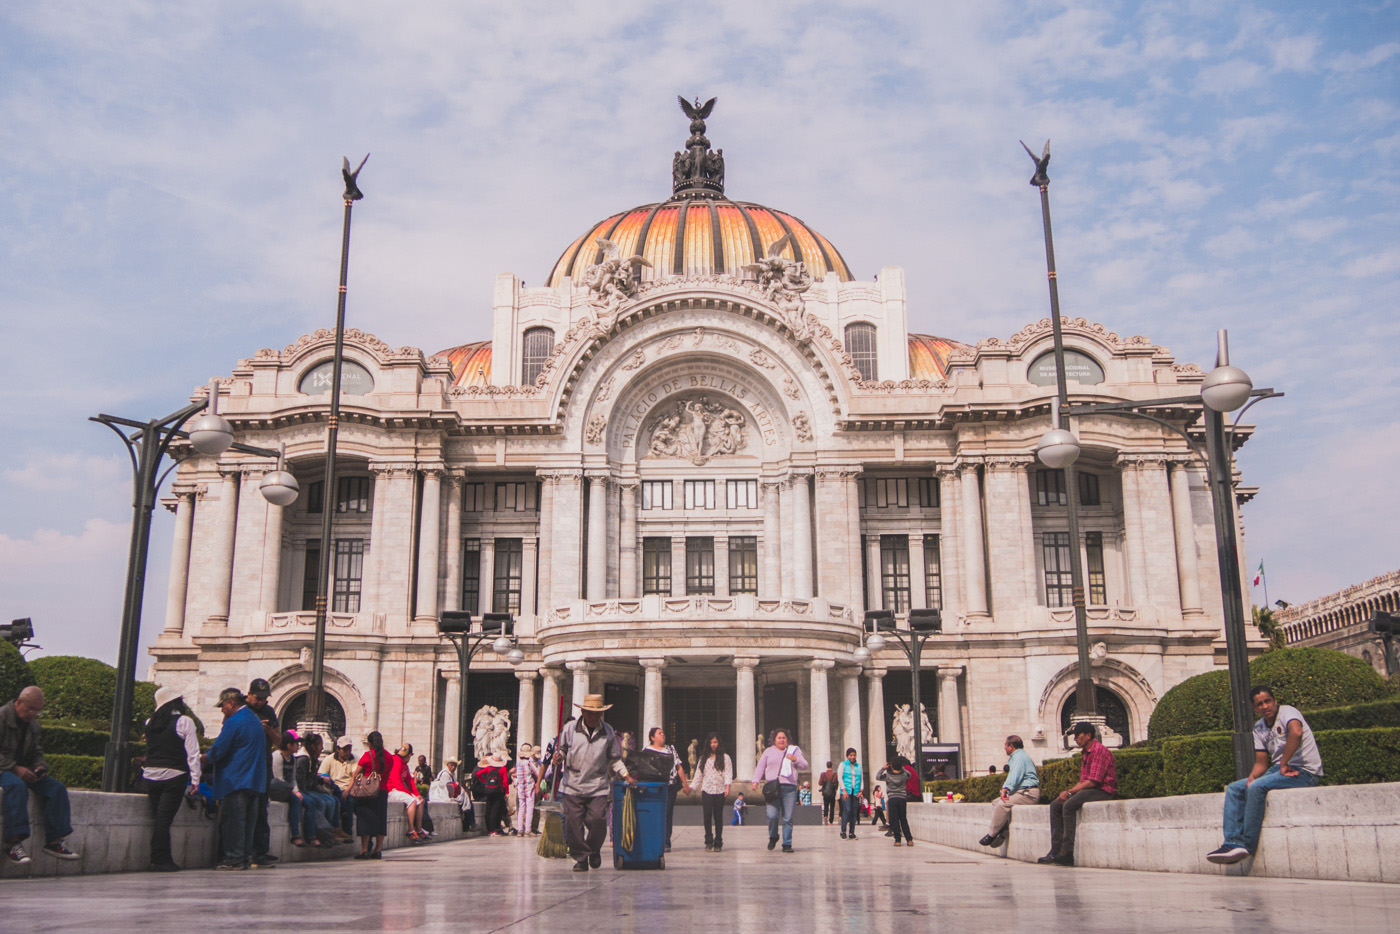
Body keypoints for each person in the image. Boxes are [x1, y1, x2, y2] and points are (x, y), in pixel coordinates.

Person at [1206, 685, 1324, 865]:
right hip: (1278, 770)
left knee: (1256, 788)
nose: (1265, 706)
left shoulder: (1287, 712)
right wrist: (1253, 776)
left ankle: (1246, 844)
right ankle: (1232, 843)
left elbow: (1296, 732)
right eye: (1259, 704)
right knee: (1235, 788)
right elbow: (1261, 762)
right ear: (1255, 708)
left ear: (1275, 701)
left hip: (1304, 771)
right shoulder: (1259, 728)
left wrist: (1284, 763)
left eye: (1268, 701)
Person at [552, 693, 636, 872]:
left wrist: (626, 774)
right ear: (582, 712)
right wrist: (559, 757)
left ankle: (593, 849)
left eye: (597, 713)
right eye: (589, 713)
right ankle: (581, 858)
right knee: (573, 824)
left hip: (597, 785)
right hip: (572, 784)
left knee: (598, 820)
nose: (593, 717)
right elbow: (563, 749)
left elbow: (614, 758)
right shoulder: (569, 729)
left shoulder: (608, 731)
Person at [1, 686, 80, 864]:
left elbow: (35, 752)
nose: (34, 714)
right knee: (16, 786)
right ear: (19, 702)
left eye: (37, 710)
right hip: (4, 769)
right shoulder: (1, 718)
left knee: (56, 788)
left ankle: (54, 841)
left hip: (20, 769)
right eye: (30, 709)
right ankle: (13, 843)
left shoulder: (32, 725)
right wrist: (14, 768)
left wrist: (39, 766)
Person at [140, 686, 200, 871]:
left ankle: (161, 858)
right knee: (164, 820)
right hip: (174, 776)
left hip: (150, 775)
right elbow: (193, 753)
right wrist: (195, 779)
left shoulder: (149, 722)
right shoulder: (184, 722)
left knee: (159, 818)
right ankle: (160, 860)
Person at [1040, 721, 1117, 867]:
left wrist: (1070, 793)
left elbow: (1094, 781)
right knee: (1056, 804)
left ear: (1088, 735)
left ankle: (1067, 852)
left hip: (1103, 790)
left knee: (1069, 805)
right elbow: (1084, 781)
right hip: (1090, 789)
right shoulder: (1086, 753)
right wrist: (1069, 793)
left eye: (1078, 735)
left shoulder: (1098, 751)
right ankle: (1055, 851)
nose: (1075, 739)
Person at [207, 687, 268, 870]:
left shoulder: (234, 722)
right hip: (254, 781)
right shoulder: (254, 720)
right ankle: (244, 858)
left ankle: (233, 859)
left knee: (234, 821)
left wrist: (204, 758)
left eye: (223, 706)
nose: (222, 710)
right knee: (248, 823)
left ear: (231, 703)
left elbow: (219, 749)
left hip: (235, 780)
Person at [751, 728, 808, 853]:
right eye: (779, 738)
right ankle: (773, 836)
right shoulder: (768, 751)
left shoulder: (794, 750)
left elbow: (805, 765)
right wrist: (755, 780)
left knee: (788, 818)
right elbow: (760, 767)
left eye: (784, 738)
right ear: (774, 740)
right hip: (772, 788)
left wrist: (795, 759)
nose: (782, 740)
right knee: (772, 815)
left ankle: (787, 843)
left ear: (787, 739)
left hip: (790, 788)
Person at [243, 678, 280, 868]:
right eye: (258, 698)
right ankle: (244, 852)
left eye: (264, 699)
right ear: (249, 694)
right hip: (244, 766)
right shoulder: (241, 709)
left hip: (262, 765)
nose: (261, 702)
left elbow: (279, 740)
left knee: (261, 809)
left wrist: (268, 731)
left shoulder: (268, 711)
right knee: (245, 810)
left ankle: (260, 852)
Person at [980, 734, 1040, 848]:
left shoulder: (1019, 757)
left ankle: (991, 834)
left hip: (1028, 794)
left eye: (1005, 745)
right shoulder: (1018, 756)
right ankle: (1002, 830)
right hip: (1021, 792)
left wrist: (1005, 789)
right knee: (995, 802)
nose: (1004, 748)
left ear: (1011, 746)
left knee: (1002, 804)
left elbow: (1015, 775)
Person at [645, 727, 691, 852]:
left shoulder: (670, 749)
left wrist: (685, 784)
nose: (663, 735)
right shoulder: (647, 751)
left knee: (667, 813)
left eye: (663, 733)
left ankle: (666, 841)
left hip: (669, 786)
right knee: (654, 812)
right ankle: (653, 838)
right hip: (654, 786)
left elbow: (679, 767)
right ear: (652, 737)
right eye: (659, 733)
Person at [351, 731, 392, 859]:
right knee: (381, 820)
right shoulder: (389, 757)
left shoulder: (368, 755)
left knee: (364, 819)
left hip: (368, 792)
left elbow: (355, 774)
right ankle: (377, 850)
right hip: (383, 791)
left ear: (369, 743)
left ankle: (364, 850)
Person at [691, 733, 732, 851]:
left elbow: (728, 773)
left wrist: (727, 787)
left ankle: (718, 841)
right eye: (711, 742)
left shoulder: (725, 757)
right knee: (707, 815)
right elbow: (698, 775)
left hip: (719, 790)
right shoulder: (703, 758)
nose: (713, 745)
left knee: (718, 817)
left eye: (715, 742)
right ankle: (708, 840)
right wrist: (691, 787)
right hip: (707, 790)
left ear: (719, 743)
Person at [388, 743, 428, 842]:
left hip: (398, 790)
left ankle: (418, 829)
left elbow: (409, 781)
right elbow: (397, 783)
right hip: (391, 790)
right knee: (412, 801)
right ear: (409, 755)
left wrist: (417, 795)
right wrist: (411, 795)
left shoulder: (404, 764)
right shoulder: (396, 762)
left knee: (420, 801)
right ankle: (410, 829)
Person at [319, 736, 358, 835]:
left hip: (349, 789)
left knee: (350, 802)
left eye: (349, 749)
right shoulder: (329, 759)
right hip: (334, 788)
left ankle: (347, 832)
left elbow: (355, 777)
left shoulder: (354, 759)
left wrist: (347, 791)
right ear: (338, 749)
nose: (347, 752)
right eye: (344, 750)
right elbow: (321, 774)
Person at [877, 756, 914, 847]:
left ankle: (898, 840)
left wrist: (883, 768)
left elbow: (878, 777)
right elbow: (910, 775)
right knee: (903, 819)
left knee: (895, 820)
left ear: (892, 766)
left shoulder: (888, 775)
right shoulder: (904, 775)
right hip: (902, 798)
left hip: (892, 798)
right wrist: (902, 768)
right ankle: (909, 839)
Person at [474, 752, 511, 836]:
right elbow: (505, 781)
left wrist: (485, 782)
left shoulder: (488, 768)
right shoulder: (503, 769)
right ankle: (494, 830)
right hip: (499, 791)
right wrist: (507, 792)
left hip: (489, 791)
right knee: (496, 810)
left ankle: (489, 830)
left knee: (489, 809)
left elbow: (478, 774)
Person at [515, 744, 540, 836]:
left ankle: (520, 830)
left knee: (521, 808)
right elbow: (537, 773)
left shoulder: (518, 764)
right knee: (530, 808)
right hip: (529, 787)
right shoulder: (529, 763)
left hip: (520, 788)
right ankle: (527, 830)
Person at [837, 747, 862, 840]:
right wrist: (843, 790)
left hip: (855, 791)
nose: (853, 757)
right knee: (847, 810)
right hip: (846, 791)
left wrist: (861, 790)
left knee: (854, 812)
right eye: (851, 755)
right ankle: (843, 831)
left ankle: (852, 832)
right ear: (847, 756)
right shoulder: (842, 765)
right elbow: (839, 777)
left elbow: (861, 778)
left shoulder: (858, 766)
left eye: (854, 755)